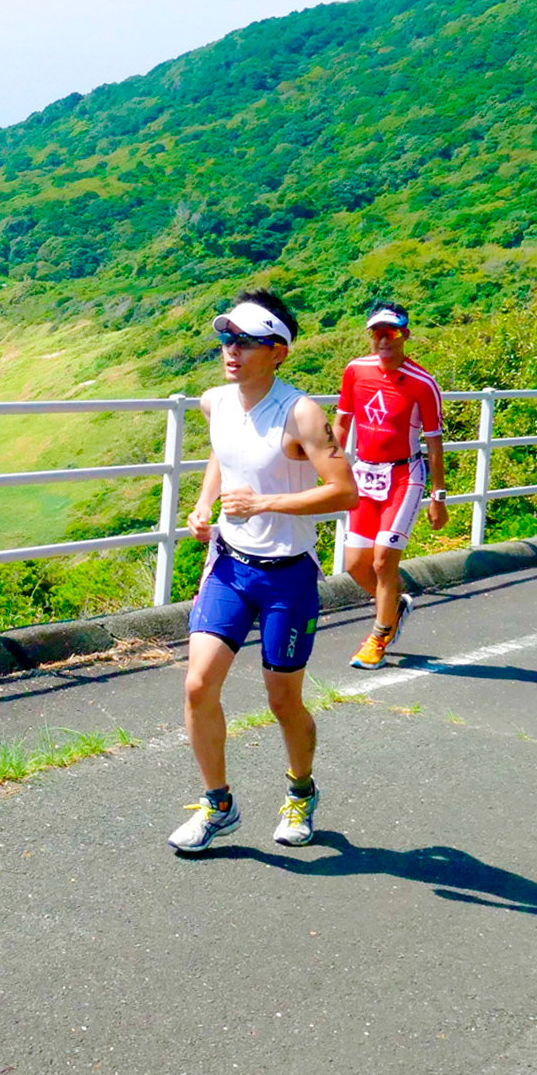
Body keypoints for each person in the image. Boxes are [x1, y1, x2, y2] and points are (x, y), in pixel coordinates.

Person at [170, 291, 356, 853]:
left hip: (288, 577)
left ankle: (300, 791)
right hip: (230, 567)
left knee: (282, 699)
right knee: (198, 684)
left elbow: (343, 492)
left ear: (278, 352)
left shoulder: (301, 413)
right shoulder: (215, 402)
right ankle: (217, 804)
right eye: (227, 338)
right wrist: (207, 506)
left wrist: (264, 503)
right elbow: (224, 459)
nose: (232, 350)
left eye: (247, 341)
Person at [333, 303, 449, 670]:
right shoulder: (355, 371)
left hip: (404, 476)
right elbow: (342, 424)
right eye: (377, 332)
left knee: (384, 562)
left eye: (392, 332)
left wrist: (439, 497)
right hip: (365, 475)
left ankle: (379, 636)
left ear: (405, 335)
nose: (384, 339)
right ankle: (395, 604)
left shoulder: (422, 383)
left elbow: (433, 442)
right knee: (355, 564)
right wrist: (329, 469)